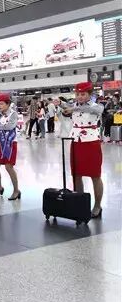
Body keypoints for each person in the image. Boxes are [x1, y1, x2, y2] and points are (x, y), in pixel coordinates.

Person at [61, 82, 104, 218]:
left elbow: (92, 110)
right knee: (76, 175)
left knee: (95, 175)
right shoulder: (74, 106)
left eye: (83, 94)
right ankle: (79, 203)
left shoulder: (97, 106)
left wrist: (72, 109)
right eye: (78, 94)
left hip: (91, 142)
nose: (80, 97)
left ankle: (97, 205)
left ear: (90, 95)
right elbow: (67, 110)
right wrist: (61, 106)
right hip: (76, 141)